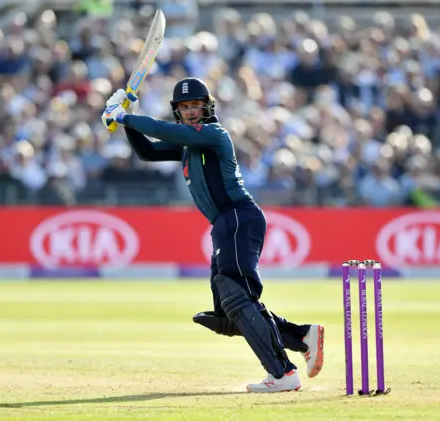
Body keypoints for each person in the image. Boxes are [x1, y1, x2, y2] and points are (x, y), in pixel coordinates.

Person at [101, 77, 325, 392]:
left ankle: (283, 374)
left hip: (238, 217)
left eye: (196, 105)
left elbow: (165, 131)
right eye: (185, 107)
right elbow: (148, 153)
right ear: (178, 111)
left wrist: (124, 115)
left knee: (236, 295)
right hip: (226, 222)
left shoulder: (212, 134)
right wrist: (127, 122)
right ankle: (302, 336)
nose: (191, 111)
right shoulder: (189, 144)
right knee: (229, 309)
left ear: (208, 106)